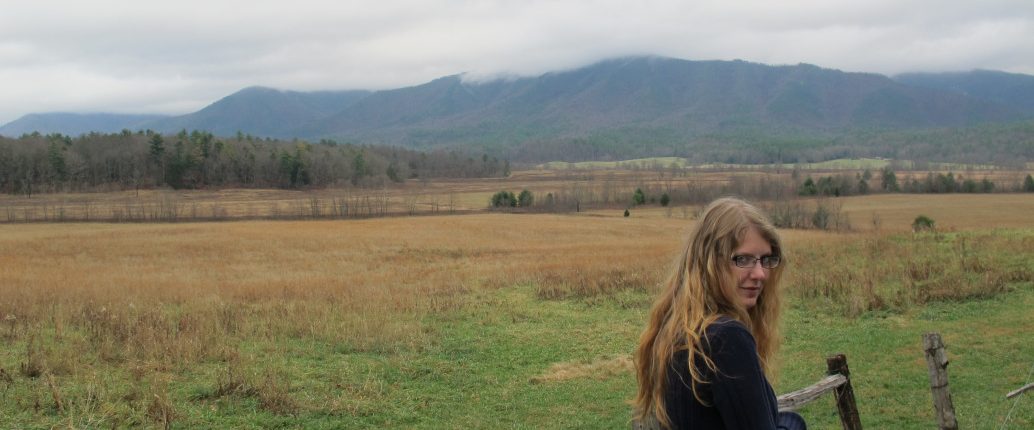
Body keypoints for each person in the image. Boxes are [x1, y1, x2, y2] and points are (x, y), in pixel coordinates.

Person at [633, 197, 806, 430]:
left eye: (766, 259)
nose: (760, 274)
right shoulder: (725, 338)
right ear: (709, 263)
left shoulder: (678, 330)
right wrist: (793, 422)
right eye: (742, 259)